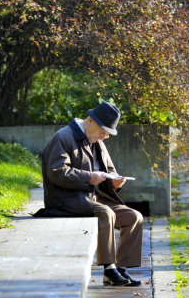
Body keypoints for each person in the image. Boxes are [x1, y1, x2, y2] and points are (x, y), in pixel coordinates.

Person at [41, 101, 143, 286]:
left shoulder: (98, 140)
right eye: (103, 131)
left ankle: (121, 269)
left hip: (94, 198)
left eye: (108, 133)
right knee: (106, 213)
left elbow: (110, 170)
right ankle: (109, 270)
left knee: (134, 217)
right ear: (90, 120)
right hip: (67, 199)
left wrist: (114, 180)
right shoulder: (63, 137)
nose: (105, 136)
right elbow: (56, 172)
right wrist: (89, 177)